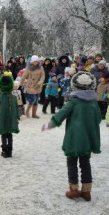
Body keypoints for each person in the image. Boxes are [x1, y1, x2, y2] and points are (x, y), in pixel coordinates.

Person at [42, 71, 101, 201]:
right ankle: (86, 191)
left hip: (74, 138)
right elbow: (98, 119)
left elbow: (60, 115)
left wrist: (49, 125)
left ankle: (73, 189)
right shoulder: (93, 103)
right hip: (88, 139)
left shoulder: (73, 102)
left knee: (72, 163)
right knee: (85, 163)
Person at [0, 74, 19, 158]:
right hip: (11, 119)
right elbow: (16, 109)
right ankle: (10, 151)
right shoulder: (13, 97)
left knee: (3, 134)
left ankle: (4, 151)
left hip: (2, 119)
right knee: (9, 134)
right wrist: (17, 117)